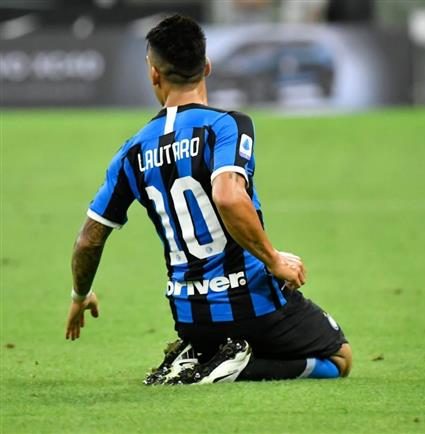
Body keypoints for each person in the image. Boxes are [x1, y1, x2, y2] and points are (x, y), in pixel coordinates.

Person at [64, 14, 352, 384]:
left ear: (154, 74)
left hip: (190, 317)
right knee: (339, 357)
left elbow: (88, 240)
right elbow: (228, 197)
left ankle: (205, 354)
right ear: (208, 67)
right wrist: (274, 259)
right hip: (252, 304)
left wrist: (80, 295)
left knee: (237, 336)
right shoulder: (226, 125)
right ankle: (235, 367)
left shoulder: (131, 152)